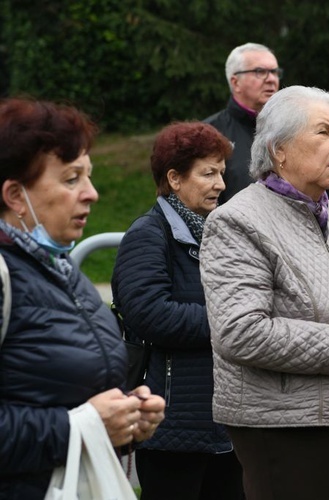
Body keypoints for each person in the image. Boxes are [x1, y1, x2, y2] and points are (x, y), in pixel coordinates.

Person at [200, 85, 329, 500]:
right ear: (278, 150)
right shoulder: (238, 222)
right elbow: (240, 331)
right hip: (283, 424)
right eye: (324, 133)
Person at [0, 97, 165, 499]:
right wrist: (81, 426)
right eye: (72, 178)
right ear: (14, 195)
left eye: (88, 177)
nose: (91, 193)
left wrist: (124, 417)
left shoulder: (59, 267)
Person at [111, 121, 243, 500]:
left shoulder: (215, 233)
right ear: (174, 178)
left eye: (221, 172)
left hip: (223, 418)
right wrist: (233, 324)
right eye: (208, 173)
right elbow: (151, 315)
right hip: (171, 427)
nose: (220, 184)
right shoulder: (148, 234)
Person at [204, 42, 281, 203]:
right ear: (235, 82)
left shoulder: (291, 129)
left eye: (274, 72)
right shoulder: (208, 134)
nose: (272, 79)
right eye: (260, 72)